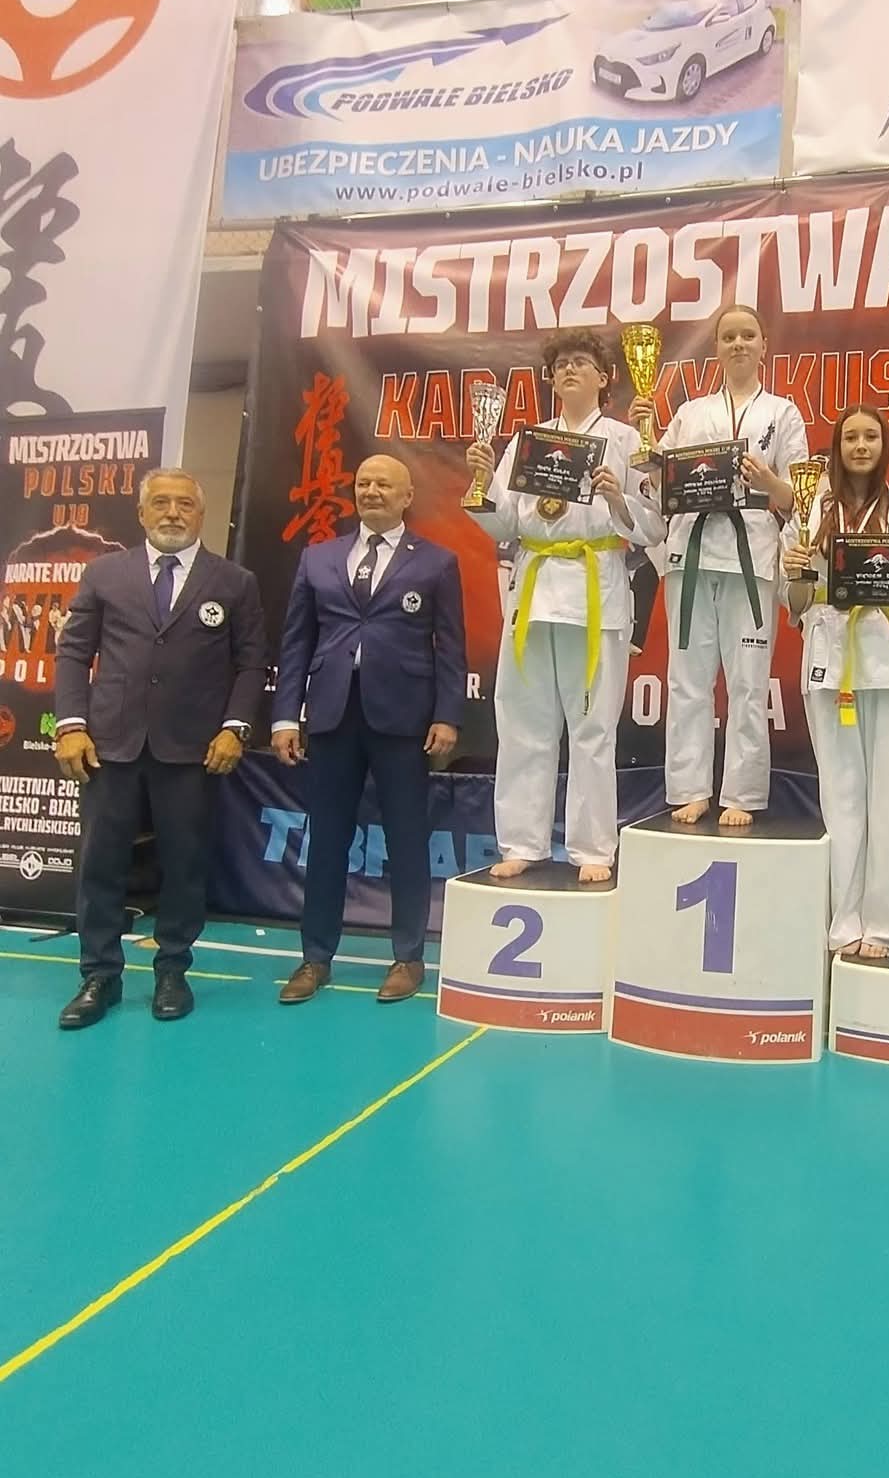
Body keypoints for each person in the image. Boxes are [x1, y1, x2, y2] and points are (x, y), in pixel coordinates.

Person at [52, 469, 266, 1028]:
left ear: (201, 513)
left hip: (193, 750)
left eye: (185, 504)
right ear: (142, 513)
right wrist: (71, 725)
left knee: (185, 864)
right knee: (100, 863)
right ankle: (99, 975)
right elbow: (73, 653)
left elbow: (251, 665)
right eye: (162, 503)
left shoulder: (234, 581)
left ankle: (172, 970)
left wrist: (235, 728)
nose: (173, 513)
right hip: (109, 745)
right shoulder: (104, 573)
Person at [467, 329, 663, 883]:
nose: (569, 371)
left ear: (605, 378)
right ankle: (521, 841)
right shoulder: (527, 441)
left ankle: (592, 847)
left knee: (593, 729)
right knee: (523, 722)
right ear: (551, 380)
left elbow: (654, 528)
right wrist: (482, 482)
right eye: (560, 365)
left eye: (581, 362)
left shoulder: (626, 440)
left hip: (595, 587)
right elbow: (505, 523)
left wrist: (618, 498)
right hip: (534, 589)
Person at [272, 453, 465, 1005]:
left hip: (403, 717)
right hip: (332, 714)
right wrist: (286, 716)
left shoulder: (436, 563)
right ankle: (315, 958)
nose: (372, 491)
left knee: (407, 838)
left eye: (384, 484)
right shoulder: (318, 558)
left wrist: (447, 715)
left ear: (407, 497)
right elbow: (296, 642)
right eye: (364, 483)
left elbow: (451, 647)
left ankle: (407, 957)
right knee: (327, 838)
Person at [631, 304, 808, 827]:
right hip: (691, 550)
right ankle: (690, 788)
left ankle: (743, 792)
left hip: (751, 554)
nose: (738, 344)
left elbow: (801, 495)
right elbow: (657, 482)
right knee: (687, 678)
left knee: (749, 682)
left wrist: (769, 483)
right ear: (716, 348)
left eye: (747, 335)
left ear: (764, 345)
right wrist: (645, 440)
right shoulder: (690, 413)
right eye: (728, 336)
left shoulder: (783, 413)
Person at [783, 407, 889, 957]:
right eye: (850, 436)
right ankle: (844, 920)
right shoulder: (810, 511)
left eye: (870, 436)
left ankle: (888, 924)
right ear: (836, 447)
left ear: (885, 445)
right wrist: (797, 573)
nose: (860, 445)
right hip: (831, 660)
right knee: (841, 796)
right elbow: (794, 602)